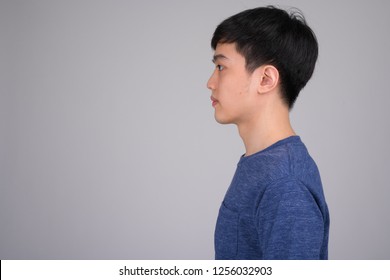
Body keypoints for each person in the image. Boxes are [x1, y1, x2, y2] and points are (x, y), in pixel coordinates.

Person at [207, 6, 330, 260]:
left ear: (266, 79)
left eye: (221, 66)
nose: (210, 82)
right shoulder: (261, 165)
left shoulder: (285, 185)